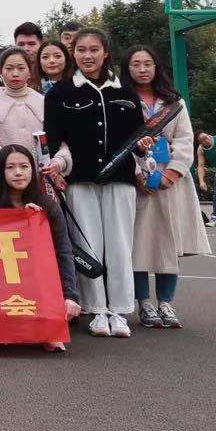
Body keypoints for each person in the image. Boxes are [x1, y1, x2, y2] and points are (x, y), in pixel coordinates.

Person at [43, 28, 150, 338]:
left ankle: (119, 310)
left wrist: (143, 148)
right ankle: (96, 310)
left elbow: (139, 138)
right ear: (73, 54)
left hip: (121, 180)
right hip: (80, 180)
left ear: (106, 53)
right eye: (81, 50)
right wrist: (58, 165)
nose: (87, 55)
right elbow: (56, 141)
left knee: (119, 245)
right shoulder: (60, 93)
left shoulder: (125, 92)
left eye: (94, 49)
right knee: (88, 244)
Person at [123, 46, 212, 329]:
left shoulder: (174, 101)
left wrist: (171, 173)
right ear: (127, 68)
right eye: (136, 64)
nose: (142, 69)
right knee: (138, 245)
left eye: (147, 63)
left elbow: (185, 139)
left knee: (169, 244)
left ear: (156, 66)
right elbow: (119, 142)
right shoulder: (122, 100)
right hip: (137, 182)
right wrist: (138, 174)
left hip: (171, 182)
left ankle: (166, 302)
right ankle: (144, 304)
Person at [0, 144, 83, 349]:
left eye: (24, 166)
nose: (18, 172)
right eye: (10, 167)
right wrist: (19, 222)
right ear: (0, 172)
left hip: (38, 278)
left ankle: (47, 328)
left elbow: (63, 251)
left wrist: (70, 295)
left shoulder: (47, 204)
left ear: (32, 170)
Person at [0, 47, 44, 168]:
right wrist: (8, 162)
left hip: (39, 171)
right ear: (0, 72)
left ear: (30, 72)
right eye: (9, 68)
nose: (15, 73)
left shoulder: (42, 102)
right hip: (3, 170)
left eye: (21, 68)